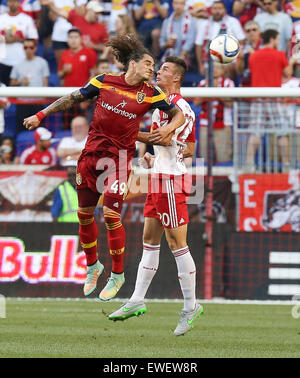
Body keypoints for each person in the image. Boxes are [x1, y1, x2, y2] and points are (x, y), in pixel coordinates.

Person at [23, 34, 186, 302]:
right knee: (84, 214)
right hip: (90, 157)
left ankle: (118, 275)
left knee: (111, 214)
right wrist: (41, 115)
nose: (152, 69)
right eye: (148, 63)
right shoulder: (104, 81)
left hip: (119, 160)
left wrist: (168, 128)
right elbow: (72, 98)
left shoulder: (151, 93)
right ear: (132, 64)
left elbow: (177, 114)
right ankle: (93, 267)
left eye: (154, 65)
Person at [108, 56, 203, 337]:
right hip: (159, 178)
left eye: (164, 70)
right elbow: (189, 147)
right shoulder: (163, 105)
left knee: (177, 244)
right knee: (149, 240)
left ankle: (191, 306)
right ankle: (137, 299)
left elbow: (162, 138)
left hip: (172, 182)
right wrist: (155, 156)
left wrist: (126, 132)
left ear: (176, 77)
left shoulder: (178, 107)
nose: (158, 72)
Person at [246, 29, 298, 172]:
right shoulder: (280, 54)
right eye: (278, 39)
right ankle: (287, 166)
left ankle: (249, 165)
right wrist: (292, 61)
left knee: (255, 132)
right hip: (275, 98)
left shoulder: (253, 56)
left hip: (257, 99)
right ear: (273, 39)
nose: (278, 41)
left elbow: (254, 72)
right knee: (282, 132)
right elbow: (288, 74)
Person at [194, 61, 234, 163]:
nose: (215, 70)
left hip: (224, 124)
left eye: (218, 67)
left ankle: (224, 178)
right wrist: (207, 90)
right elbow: (196, 102)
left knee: (223, 156)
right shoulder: (203, 83)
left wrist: (217, 91)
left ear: (223, 70)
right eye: (213, 68)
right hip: (205, 124)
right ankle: (202, 179)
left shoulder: (228, 83)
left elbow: (230, 104)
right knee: (204, 155)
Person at [58, 28, 98, 128]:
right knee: (67, 124)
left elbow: (93, 74)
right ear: (67, 40)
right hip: (67, 96)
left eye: (76, 37)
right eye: (71, 37)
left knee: (84, 124)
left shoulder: (89, 52)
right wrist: (64, 71)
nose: (73, 40)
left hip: (82, 95)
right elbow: (59, 74)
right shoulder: (65, 54)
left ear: (80, 39)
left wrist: (88, 94)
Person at [195, 0, 245, 76]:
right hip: (209, 59)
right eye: (215, 8)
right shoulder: (204, 24)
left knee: (230, 66)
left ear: (224, 10)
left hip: (229, 58)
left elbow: (242, 40)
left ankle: (229, 85)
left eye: (219, 8)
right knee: (210, 68)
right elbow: (198, 45)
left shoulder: (233, 22)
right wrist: (200, 64)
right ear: (211, 10)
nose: (217, 11)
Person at [10, 38, 50, 134]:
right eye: (25, 47)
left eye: (31, 47)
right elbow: (11, 83)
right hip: (22, 102)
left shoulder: (42, 62)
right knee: (22, 131)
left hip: (37, 102)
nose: (28, 50)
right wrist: (20, 81)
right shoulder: (17, 64)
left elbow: (45, 82)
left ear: (35, 48)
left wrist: (43, 98)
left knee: (40, 132)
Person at [42, 0, 109, 54]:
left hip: (91, 59)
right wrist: (50, 5)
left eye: (99, 13)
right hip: (74, 56)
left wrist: (94, 46)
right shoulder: (77, 18)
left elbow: (108, 46)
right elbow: (62, 13)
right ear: (88, 10)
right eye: (96, 13)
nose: (98, 15)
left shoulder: (101, 27)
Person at [0, 0, 38, 86]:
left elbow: (34, 40)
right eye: (10, 1)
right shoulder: (1, 18)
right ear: (7, 3)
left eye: (15, 1)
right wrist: (4, 39)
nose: (13, 4)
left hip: (21, 59)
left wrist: (17, 39)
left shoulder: (27, 19)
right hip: (2, 60)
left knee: (21, 88)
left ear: (19, 3)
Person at [159, 0, 197, 68]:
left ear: (185, 5)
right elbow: (161, 41)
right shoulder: (167, 21)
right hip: (169, 54)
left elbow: (190, 42)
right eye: (176, 3)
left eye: (181, 3)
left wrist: (180, 58)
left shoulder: (191, 21)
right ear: (172, 4)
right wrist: (167, 44)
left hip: (185, 56)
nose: (178, 6)